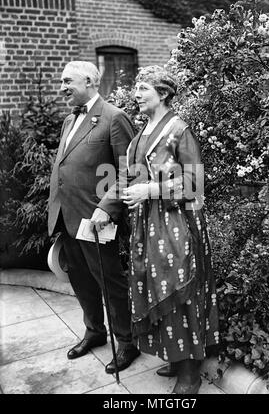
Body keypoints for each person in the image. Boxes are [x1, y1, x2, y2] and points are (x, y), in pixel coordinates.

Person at [99, 65, 220, 394]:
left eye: (143, 89)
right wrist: (122, 198)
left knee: (179, 291)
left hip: (175, 225)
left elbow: (195, 182)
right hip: (145, 225)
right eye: (136, 88)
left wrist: (149, 191)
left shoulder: (179, 130)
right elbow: (133, 177)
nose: (136, 94)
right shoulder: (140, 136)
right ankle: (176, 354)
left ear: (163, 94)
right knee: (153, 288)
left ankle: (190, 374)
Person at [48, 60, 140, 374]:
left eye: (67, 81)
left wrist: (107, 207)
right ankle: (94, 331)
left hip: (97, 219)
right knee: (81, 280)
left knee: (110, 281)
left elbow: (129, 171)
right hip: (66, 216)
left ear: (89, 81)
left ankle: (127, 341)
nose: (62, 88)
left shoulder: (114, 118)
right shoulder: (67, 120)